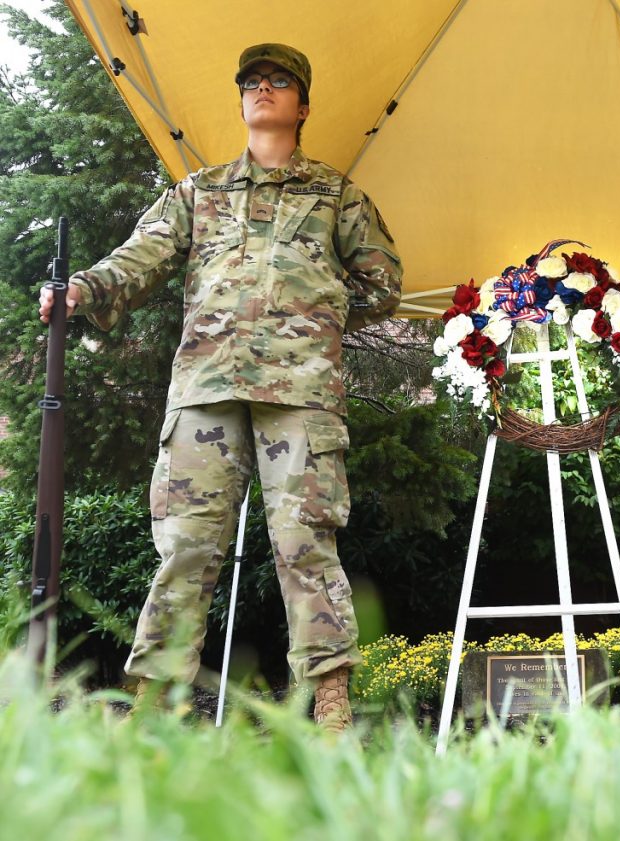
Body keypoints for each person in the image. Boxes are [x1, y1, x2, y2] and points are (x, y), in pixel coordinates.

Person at [39, 43, 402, 732]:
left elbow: (384, 283)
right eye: (252, 82)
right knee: (185, 548)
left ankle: (329, 706)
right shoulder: (198, 192)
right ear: (240, 101)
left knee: (305, 545)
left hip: (300, 393)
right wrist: (82, 288)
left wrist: (317, 312)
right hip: (206, 388)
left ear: (302, 103)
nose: (264, 89)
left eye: (280, 81)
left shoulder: (335, 195)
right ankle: (152, 708)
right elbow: (139, 258)